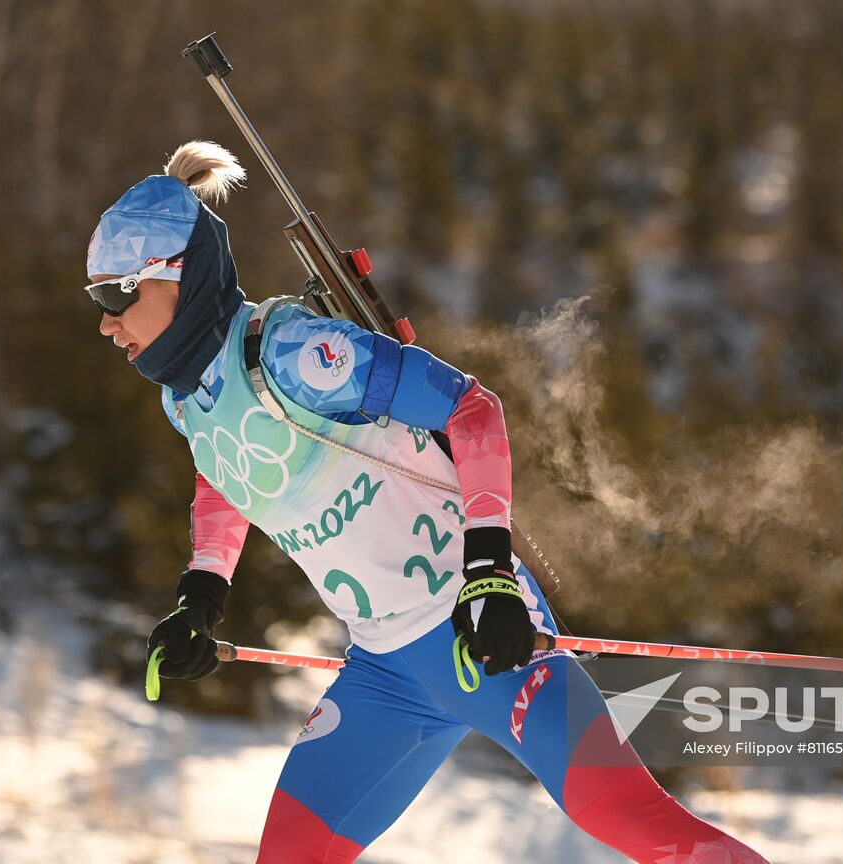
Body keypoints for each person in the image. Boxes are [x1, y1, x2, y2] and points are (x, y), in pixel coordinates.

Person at [85, 139, 770, 864]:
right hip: (384, 672)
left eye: (115, 296)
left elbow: (472, 410)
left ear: (178, 279)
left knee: (635, 825)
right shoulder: (187, 399)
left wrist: (491, 574)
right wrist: (201, 599)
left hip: (482, 637)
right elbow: (224, 466)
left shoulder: (292, 356)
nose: (105, 322)